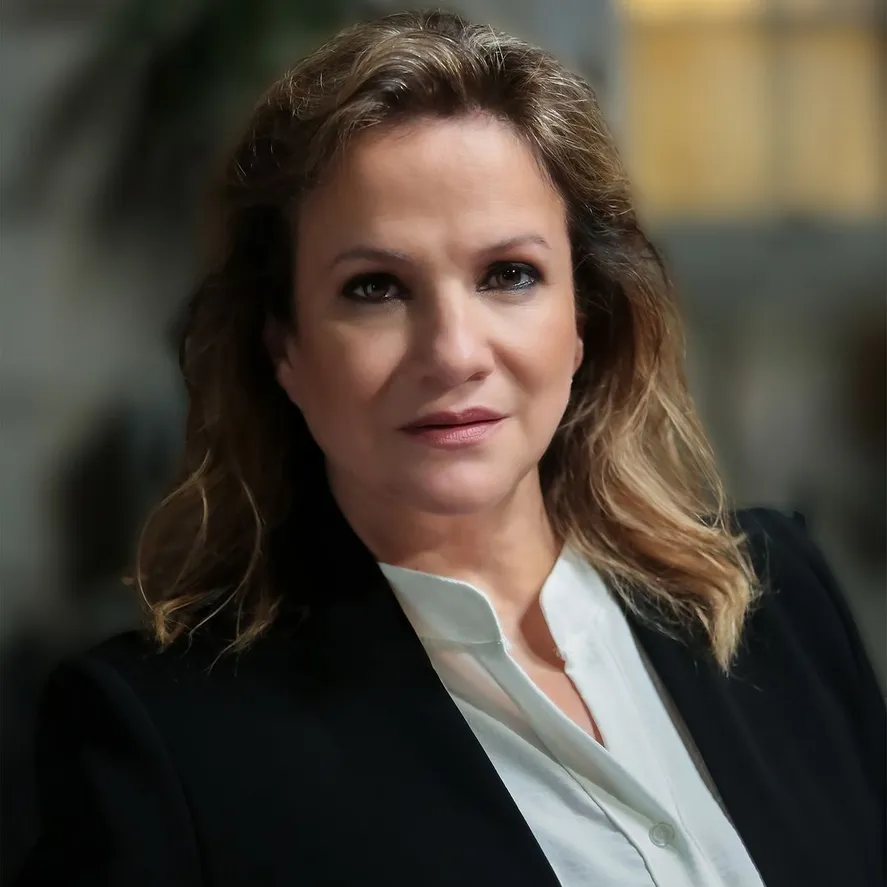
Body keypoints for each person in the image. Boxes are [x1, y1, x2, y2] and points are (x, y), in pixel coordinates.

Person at [16, 10, 884, 887]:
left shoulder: (777, 600)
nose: (454, 352)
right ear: (283, 347)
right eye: (375, 288)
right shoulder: (166, 743)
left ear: (582, 318)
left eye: (508, 274)